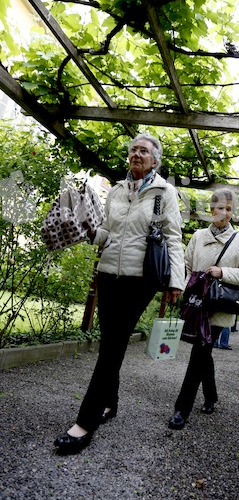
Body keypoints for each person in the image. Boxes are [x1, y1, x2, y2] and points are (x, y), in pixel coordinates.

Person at [54, 133, 185, 454]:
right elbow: (107, 233)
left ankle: (84, 422)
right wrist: (85, 229)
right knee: (111, 341)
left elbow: (172, 237)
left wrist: (176, 281)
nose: (137, 155)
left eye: (144, 151)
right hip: (108, 274)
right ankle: (109, 403)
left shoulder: (164, 193)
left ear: (155, 160)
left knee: (112, 347)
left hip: (141, 279)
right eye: (133, 150)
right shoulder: (115, 190)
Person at [168, 187, 239, 430]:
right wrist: (186, 288)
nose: (224, 213)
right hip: (196, 306)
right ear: (211, 209)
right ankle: (211, 396)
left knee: (199, 353)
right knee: (204, 353)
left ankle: (181, 409)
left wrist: (223, 272)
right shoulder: (197, 236)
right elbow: (185, 265)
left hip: (219, 308)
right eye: (220, 207)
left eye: (229, 209)